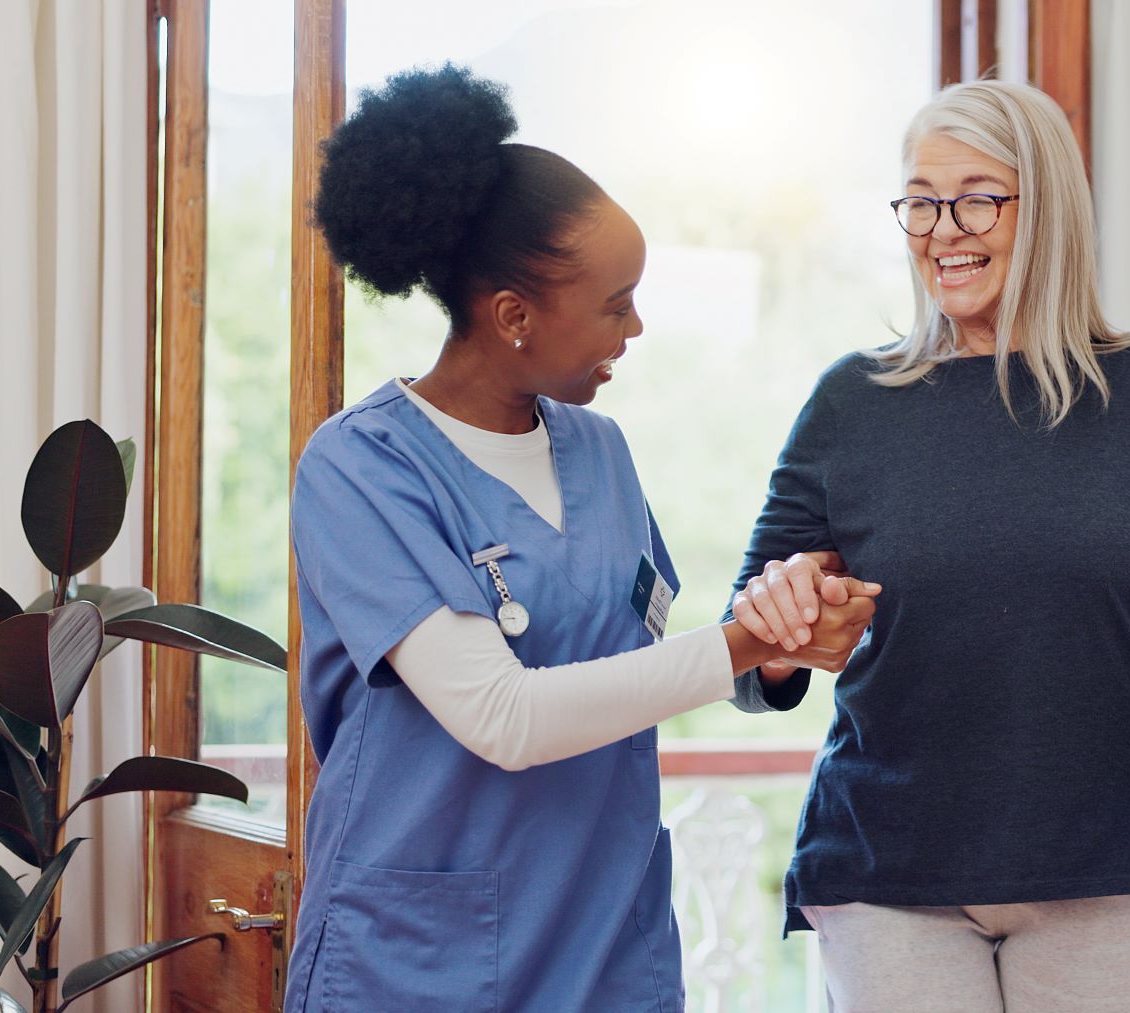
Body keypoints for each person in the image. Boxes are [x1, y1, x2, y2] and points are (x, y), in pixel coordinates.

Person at [280, 66, 877, 1012]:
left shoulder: (600, 452)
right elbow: (506, 718)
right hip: (421, 953)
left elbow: (636, 666)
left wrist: (780, 646)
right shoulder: (361, 468)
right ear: (515, 315)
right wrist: (743, 645)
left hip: (606, 938)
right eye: (615, 303)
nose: (636, 326)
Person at [727, 80, 1130, 1011]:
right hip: (888, 870)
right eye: (920, 200)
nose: (943, 229)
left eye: (978, 196)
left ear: (1050, 209)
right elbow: (751, 656)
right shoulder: (851, 403)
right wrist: (782, 630)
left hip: (1112, 863)